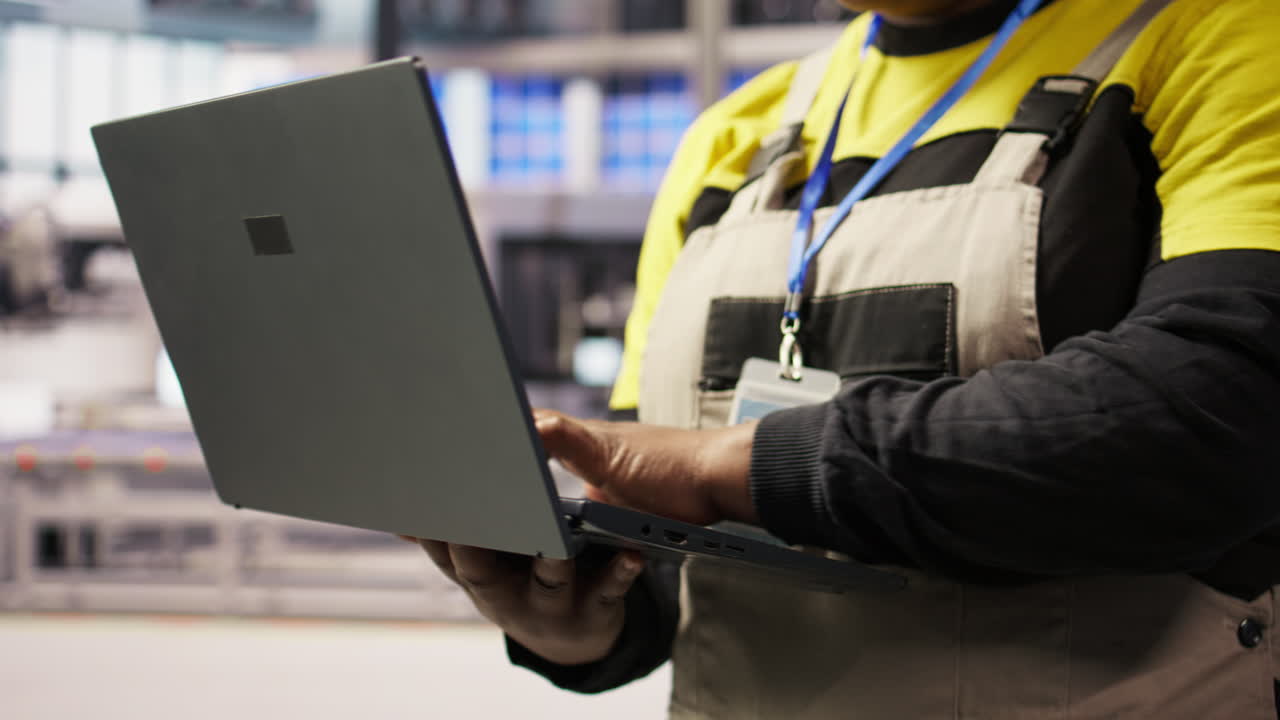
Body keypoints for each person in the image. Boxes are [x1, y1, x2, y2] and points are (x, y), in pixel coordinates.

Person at [410, 0, 1280, 716]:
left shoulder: (1222, 39)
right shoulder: (736, 138)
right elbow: (670, 557)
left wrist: (731, 465)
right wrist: (576, 620)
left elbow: (1214, 416)